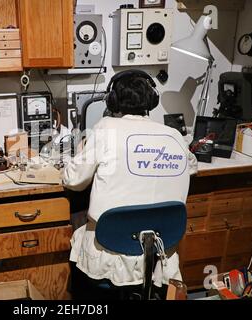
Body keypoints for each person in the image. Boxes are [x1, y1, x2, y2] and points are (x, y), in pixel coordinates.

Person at [63, 70, 198, 299]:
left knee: (77, 222)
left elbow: (73, 180)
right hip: (159, 248)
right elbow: (193, 166)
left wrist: (79, 152)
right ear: (152, 101)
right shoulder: (173, 135)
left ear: (112, 101)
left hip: (111, 248)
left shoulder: (106, 129)